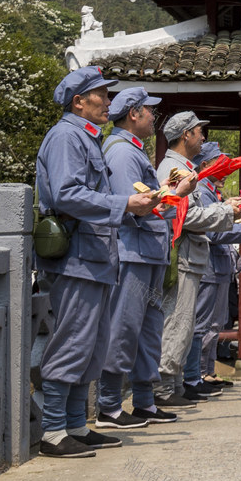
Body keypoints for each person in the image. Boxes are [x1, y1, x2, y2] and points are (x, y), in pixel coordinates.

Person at [35, 68, 162, 457]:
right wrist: (125, 204)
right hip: (77, 257)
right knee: (73, 340)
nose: (109, 102)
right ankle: (53, 431)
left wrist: (131, 206)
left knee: (91, 345)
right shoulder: (66, 136)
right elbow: (67, 194)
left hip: (95, 257)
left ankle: (76, 424)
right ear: (79, 102)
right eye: (102, 95)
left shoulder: (86, 137)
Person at [97, 88, 197, 428]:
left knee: (147, 331)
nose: (154, 117)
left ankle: (144, 401)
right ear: (133, 114)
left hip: (148, 253)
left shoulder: (131, 150)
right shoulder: (123, 153)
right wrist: (176, 194)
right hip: (133, 252)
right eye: (150, 111)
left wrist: (164, 192)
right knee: (125, 328)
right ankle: (109, 406)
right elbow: (135, 208)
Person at [155, 111, 241, 406]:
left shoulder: (182, 167)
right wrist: (227, 212)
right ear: (186, 135)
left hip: (189, 257)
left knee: (185, 325)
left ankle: (175, 386)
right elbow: (181, 215)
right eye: (198, 131)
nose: (202, 137)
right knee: (177, 323)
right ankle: (164, 389)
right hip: (182, 256)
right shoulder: (174, 169)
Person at [187, 140, 241, 389]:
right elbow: (213, 233)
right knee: (202, 324)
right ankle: (196, 375)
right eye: (220, 165)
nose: (226, 171)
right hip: (209, 268)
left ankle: (206, 372)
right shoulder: (203, 191)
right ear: (205, 165)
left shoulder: (211, 192)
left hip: (218, 267)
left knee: (214, 324)